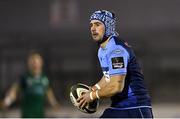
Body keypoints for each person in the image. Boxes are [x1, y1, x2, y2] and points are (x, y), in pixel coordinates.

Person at [77, 10, 153, 118]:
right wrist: (94, 88)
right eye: (91, 25)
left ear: (108, 26)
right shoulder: (102, 49)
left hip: (134, 108)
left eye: (97, 24)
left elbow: (116, 87)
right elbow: (108, 75)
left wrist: (93, 95)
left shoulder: (116, 50)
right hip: (121, 107)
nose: (93, 28)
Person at [0, 52, 60, 118]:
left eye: (37, 62)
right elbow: (14, 90)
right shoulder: (24, 78)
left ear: (41, 63)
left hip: (40, 115)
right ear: (29, 64)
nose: (35, 64)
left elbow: (48, 92)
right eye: (33, 62)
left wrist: (54, 103)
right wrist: (7, 101)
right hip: (27, 115)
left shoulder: (44, 79)